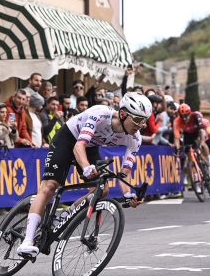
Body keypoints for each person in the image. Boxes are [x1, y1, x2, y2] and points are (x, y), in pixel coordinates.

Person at [16, 92, 152, 257]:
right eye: (138, 119)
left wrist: (129, 194)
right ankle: (27, 241)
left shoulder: (134, 138)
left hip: (91, 147)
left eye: (144, 120)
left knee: (103, 190)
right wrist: (86, 167)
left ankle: (65, 216)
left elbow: (124, 173)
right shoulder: (100, 114)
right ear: (123, 114)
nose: (141, 124)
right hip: (69, 139)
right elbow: (78, 146)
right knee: (50, 186)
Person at [173, 104, 210, 193]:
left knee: (202, 145)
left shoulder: (196, 116)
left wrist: (201, 142)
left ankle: (209, 164)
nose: (185, 118)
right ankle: (197, 183)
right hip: (188, 135)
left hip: (198, 132)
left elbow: (202, 131)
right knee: (190, 157)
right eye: (182, 116)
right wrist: (177, 150)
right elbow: (176, 137)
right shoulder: (177, 121)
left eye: (186, 116)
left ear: (190, 113)